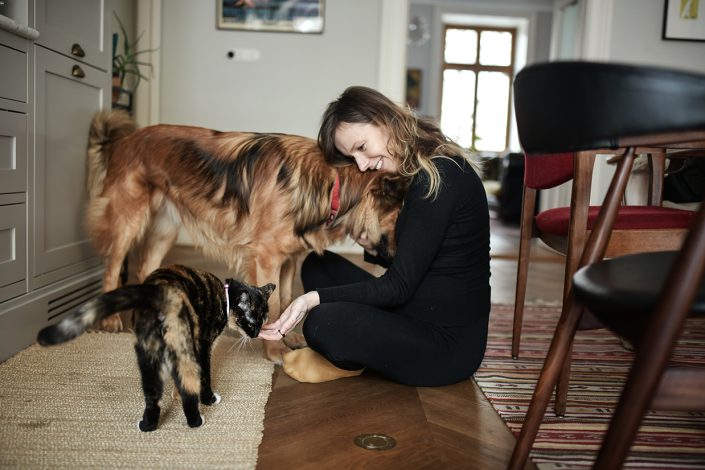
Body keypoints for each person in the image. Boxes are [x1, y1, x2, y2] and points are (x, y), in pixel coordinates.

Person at [258, 86, 490, 387]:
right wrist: (375, 248)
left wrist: (311, 299)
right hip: (418, 308)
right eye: (352, 157)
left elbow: (399, 287)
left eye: (361, 147)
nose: (362, 164)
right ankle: (359, 351)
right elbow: (424, 263)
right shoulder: (422, 170)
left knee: (321, 321)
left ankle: (350, 360)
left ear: (383, 120)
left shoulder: (438, 179)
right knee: (319, 264)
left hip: (446, 345)